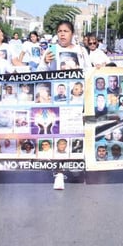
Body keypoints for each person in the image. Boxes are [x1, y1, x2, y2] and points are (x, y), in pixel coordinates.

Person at [37, 20, 91, 188]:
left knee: (76, 133)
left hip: (77, 101)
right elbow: (40, 74)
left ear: (72, 34)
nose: (62, 34)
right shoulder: (51, 50)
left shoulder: (81, 51)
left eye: (66, 31)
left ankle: (76, 166)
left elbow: (89, 72)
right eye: (59, 31)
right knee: (58, 134)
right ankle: (59, 172)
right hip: (57, 100)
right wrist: (45, 61)